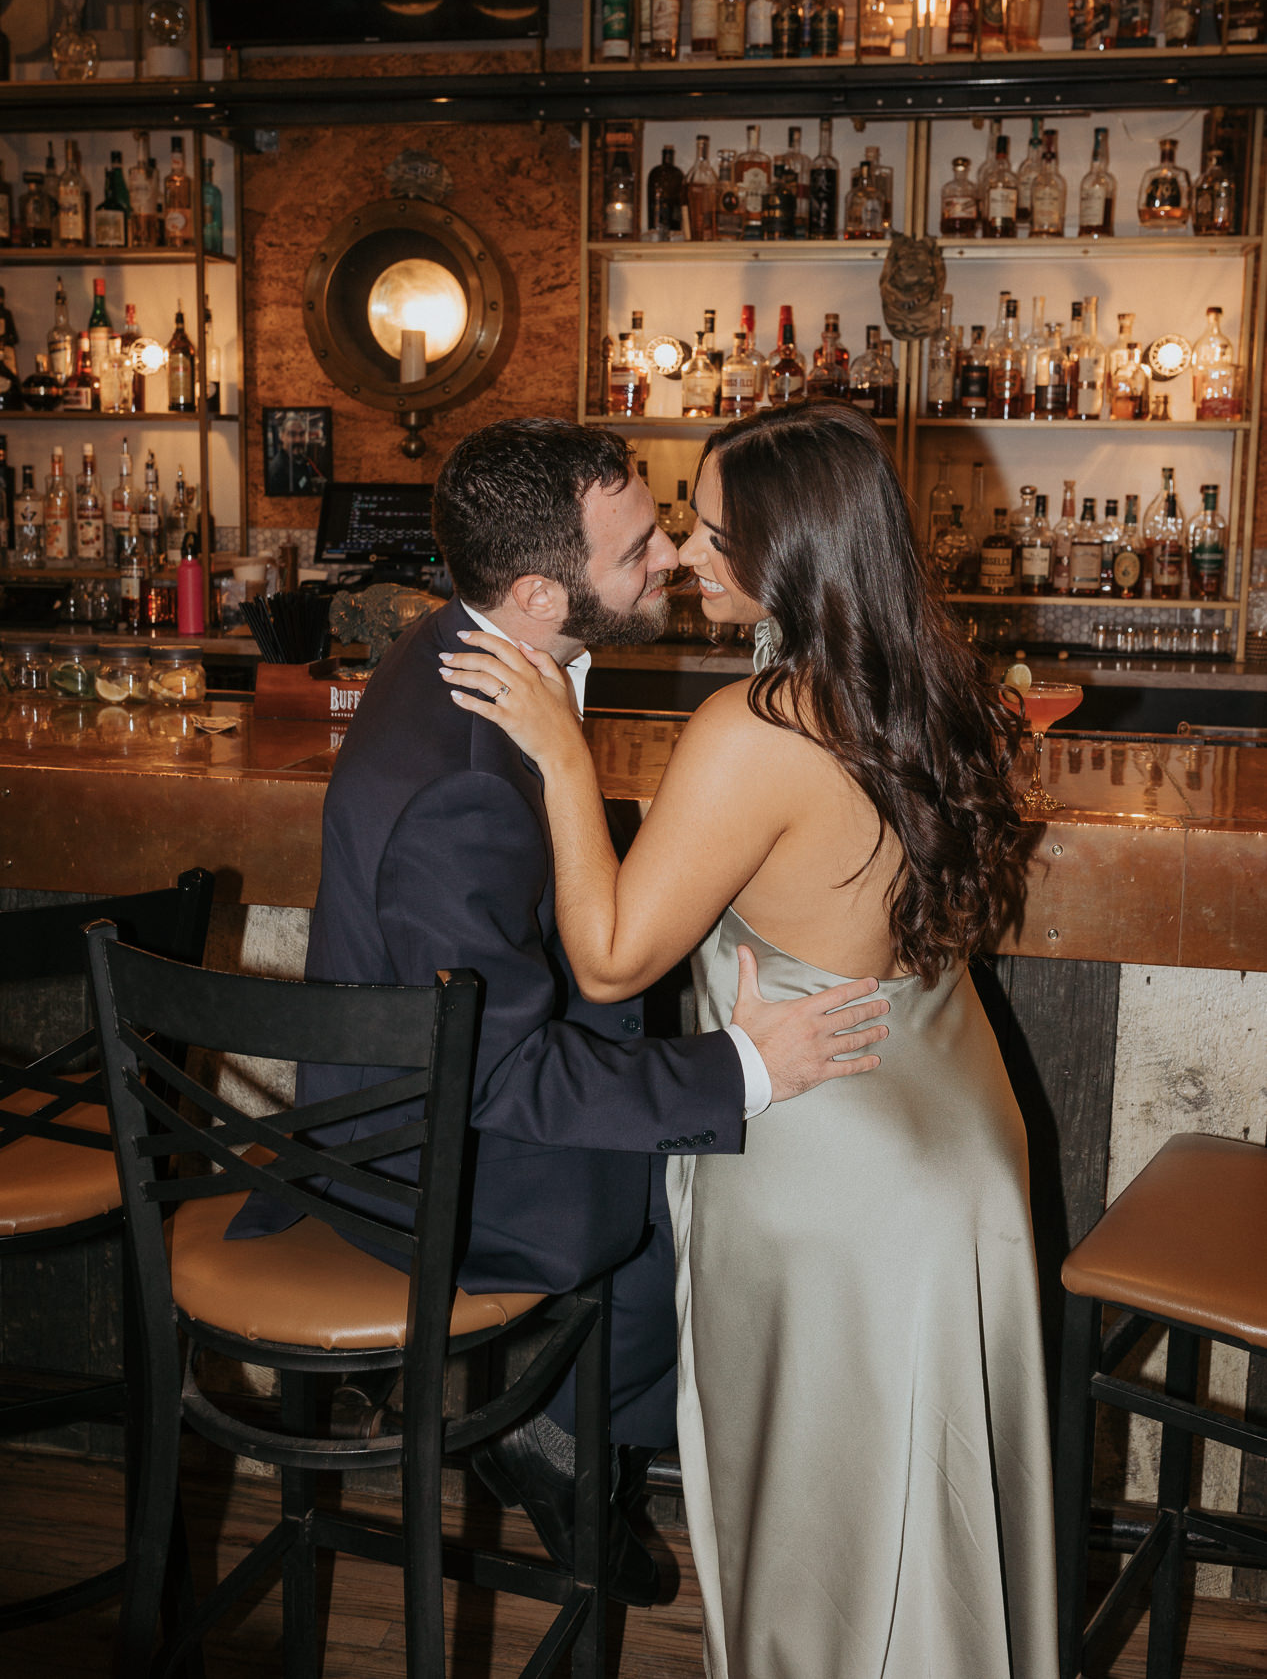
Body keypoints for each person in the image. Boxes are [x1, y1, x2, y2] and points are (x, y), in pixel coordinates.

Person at [442, 405, 1059, 1678]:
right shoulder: (926, 682)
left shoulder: (753, 723)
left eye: (712, 535)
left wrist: (562, 757)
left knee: (818, 1527)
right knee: (932, 1511)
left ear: (790, 555)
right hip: (958, 1131)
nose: (682, 554)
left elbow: (612, 956)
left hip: (827, 1155)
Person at [230, 417, 889, 1605]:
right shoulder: (461, 777)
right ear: (539, 593)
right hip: (424, 1161)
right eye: (639, 547)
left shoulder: (469, 648)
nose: (673, 553)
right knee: (720, 1204)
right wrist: (743, 1068)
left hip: (440, 1081)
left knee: (702, 1154)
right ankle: (570, 1444)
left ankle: (573, 1441)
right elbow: (500, 1073)